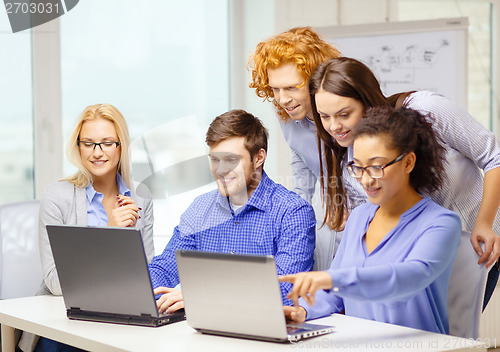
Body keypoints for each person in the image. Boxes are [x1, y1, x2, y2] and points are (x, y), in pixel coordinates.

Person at [309, 57, 500, 307]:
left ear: (366, 101)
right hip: (418, 256)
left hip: (475, 246)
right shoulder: (352, 161)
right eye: (324, 116)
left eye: (344, 114)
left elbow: (494, 156)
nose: (334, 126)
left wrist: (485, 223)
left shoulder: (427, 109)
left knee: (454, 336)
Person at [280, 106, 462, 334]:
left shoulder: (441, 223)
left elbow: (407, 279)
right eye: (358, 167)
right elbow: (335, 294)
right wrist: (304, 311)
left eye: (376, 167)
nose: (365, 180)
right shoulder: (359, 217)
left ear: (408, 162)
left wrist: (330, 278)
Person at [148, 109, 316, 314]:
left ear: (258, 158)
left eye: (231, 160)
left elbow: (287, 290)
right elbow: (166, 268)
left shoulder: (293, 212)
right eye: (215, 159)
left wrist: (202, 295)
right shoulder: (200, 209)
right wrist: (141, 289)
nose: (220, 170)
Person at [22, 104, 155, 352]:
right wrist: (111, 234)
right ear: (78, 147)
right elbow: (55, 283)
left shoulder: (141, 197)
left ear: (120, 146)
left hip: (121, 320)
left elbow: (147, 277)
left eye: (106, 143)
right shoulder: (57, 196)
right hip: (64, 323)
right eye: (88, 143)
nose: (97, 152)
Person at [248, 26, 341, 270]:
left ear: (316, 81)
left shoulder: (343, 117)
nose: (282, 99)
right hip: (331, 214)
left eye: (291, 87)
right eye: (275, 88)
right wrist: (296, 216)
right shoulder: (287, 113)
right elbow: (300, 160)